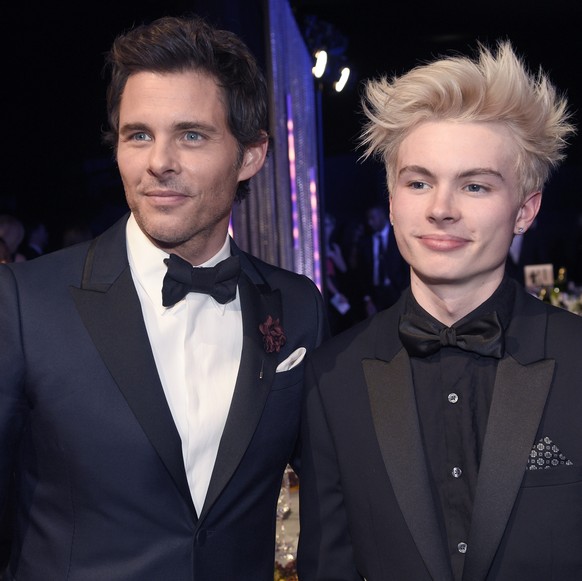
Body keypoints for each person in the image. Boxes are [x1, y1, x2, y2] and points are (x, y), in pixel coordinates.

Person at [0, 15, 327, 581]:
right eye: (139, 135)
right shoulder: (25, 304)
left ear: (250, 156)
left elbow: (332, 497)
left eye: (191, 135)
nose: (159, 162)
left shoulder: (297, 307)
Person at [297, 41, 582, 581]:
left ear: (525, 210)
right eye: (419, 182)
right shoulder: (332, 381)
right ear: (392, 198)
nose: (441, 209)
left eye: (474, 185)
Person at [354, 202, 409, 318]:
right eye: (368, 219)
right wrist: (367, 298)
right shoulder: (366, 243)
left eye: (373, 218)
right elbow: (362, 273)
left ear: (383, 216)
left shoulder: (398, 237)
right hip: (376, 294)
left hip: (397, 291)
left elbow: (406, 266)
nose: (370, 222)